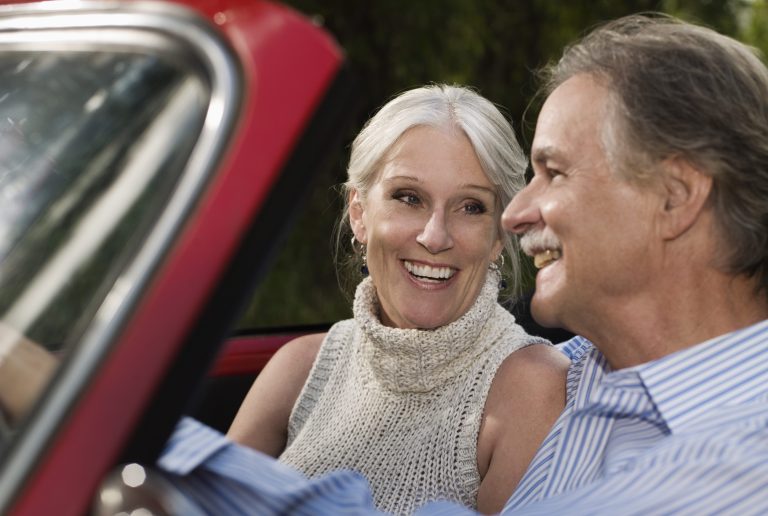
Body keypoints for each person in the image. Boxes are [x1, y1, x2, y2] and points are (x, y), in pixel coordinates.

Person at [150, 12, 768, 515]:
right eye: (408, 197)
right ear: (357, 212)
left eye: (552, 172)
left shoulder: (733, 469)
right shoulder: (585, 372)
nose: (515, 213)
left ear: (676, 198)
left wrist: (119, 428)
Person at [225, 84, 568, 514]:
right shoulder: (300, 368)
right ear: (359, 213)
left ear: (499, 236)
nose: (435, 236)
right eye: (409, 198)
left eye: (471, 207)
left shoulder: (532, 389)